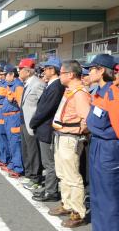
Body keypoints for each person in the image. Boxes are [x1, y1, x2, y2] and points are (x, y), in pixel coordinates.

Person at [48, 60, 91, 228]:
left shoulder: (80, 93)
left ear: (71, 74)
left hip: (70, 137)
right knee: (63, 173)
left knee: (72, 176)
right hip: (62, 135)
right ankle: (67, 204)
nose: (60, 76)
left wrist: (80, 132)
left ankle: (78, 212)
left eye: (62, 73)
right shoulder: (70, 91)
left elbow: (86, 118)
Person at [84, 54, 119, 231]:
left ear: (102, 70)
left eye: (91, 69)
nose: (88, 73)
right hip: (97, 145)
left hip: (108, 149)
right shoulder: (99, 92)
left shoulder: (113, 93)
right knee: (96, 194)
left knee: (108, 196)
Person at [29, 57, 65, 202]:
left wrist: (33, 122)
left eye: (46, 68)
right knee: (47, 162)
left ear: (52, 70)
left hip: (47, 128)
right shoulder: (52, 84)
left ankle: (51, 191)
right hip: (44, 127)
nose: (43, 71)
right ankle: (49, 188)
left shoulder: (56, 86)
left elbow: (44, 109)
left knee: (49, 163)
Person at [18, 58, 46, 190]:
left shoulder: (38, 84)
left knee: (33, 151)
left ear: (28, 71)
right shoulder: (27, 83)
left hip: (32, 123)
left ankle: (36, 177)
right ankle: (29, 174)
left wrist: (36, 122)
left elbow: (42, 106)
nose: (18, 72)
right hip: (24, 121)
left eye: (20, 69)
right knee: (26, 150)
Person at [1, 64, 24, 178]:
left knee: (15, 143)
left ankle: (18, 167)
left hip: (14, 117)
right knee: (10, 142)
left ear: (12, 74)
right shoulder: (10, 85)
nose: (4, 77)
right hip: (8, 117)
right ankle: (13, 163)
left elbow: (20, 104)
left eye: (6, 74)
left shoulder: (18, 86)